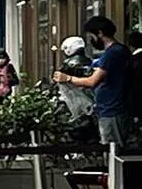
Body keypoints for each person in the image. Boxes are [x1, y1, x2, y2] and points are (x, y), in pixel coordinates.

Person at [54, 15, 132, 148]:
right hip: (108, 108)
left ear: (100, 33)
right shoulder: (115, 52)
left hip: (112, 109)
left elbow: (92, 81)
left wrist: (68, 79)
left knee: (113, 150)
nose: (90, 41)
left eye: (91, 36)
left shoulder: (113, 53)